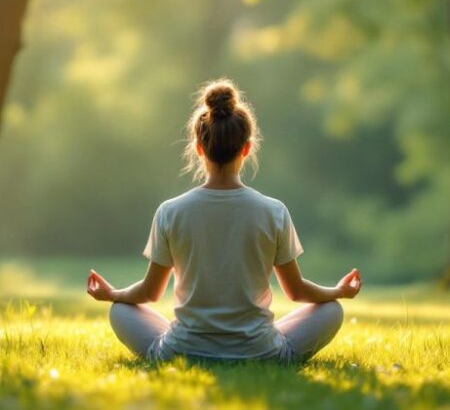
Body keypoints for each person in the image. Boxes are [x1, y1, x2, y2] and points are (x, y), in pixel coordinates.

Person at [87, 78, 362, 364]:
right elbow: (296, 291)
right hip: (260, 353)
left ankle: (189, 343)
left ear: (199, 148)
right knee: (332, 310)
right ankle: (259, 346)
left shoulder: (170, 211)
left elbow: (150, 292)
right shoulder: (273, 211)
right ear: (247, 148)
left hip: (182, 352)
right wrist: (337, 291)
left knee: (119, 309)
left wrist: (113, 294)